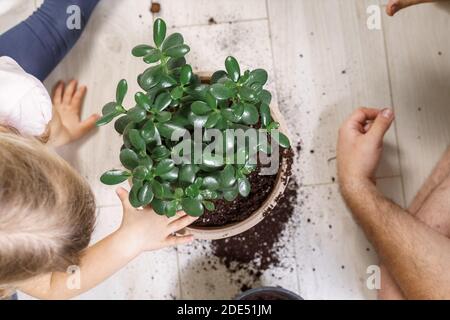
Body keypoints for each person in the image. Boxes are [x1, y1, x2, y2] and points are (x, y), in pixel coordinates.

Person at [0, 0, 196, 300]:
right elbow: (54, 286)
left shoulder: (12, 95)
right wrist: (130, 240)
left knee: (60, 22)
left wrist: (55, 130)